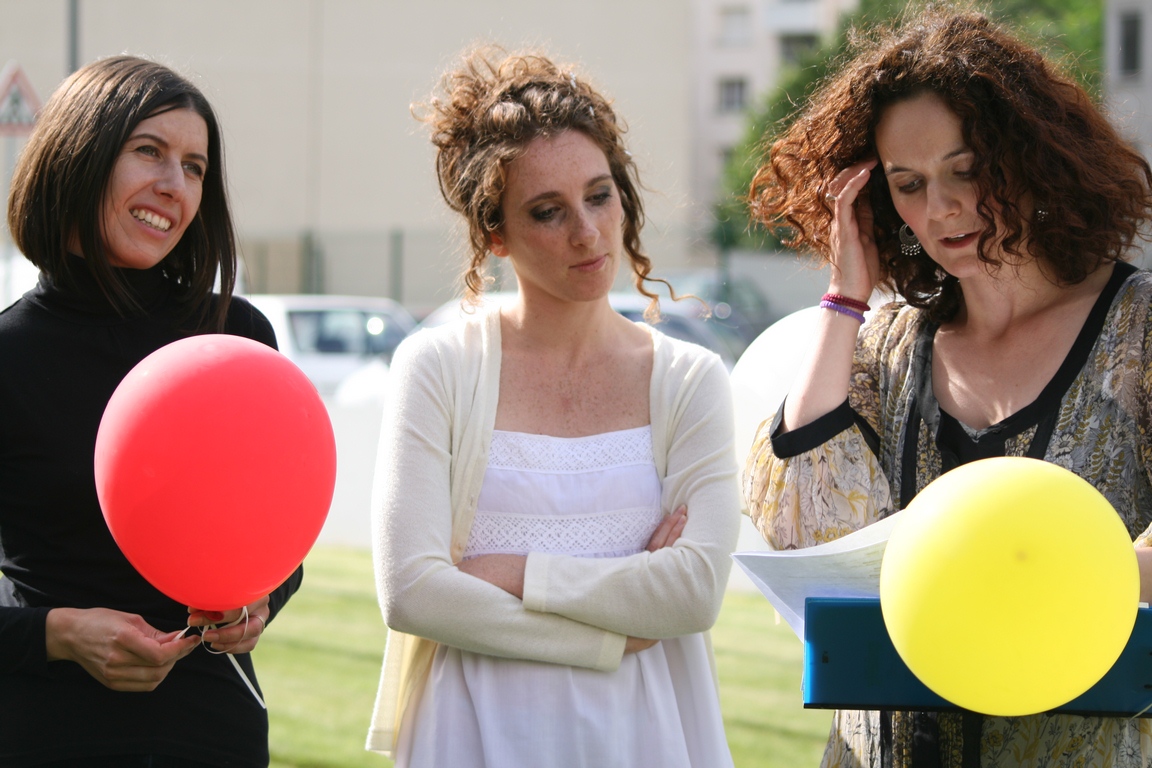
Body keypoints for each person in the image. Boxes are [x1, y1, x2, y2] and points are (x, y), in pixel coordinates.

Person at [744, 6, 1152, 768]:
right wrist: (844, 298)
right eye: (908, 184)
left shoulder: (1139, 329)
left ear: (1032, 157)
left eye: (966, 170)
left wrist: (1046, 578)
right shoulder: (886, 346)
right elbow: (801, 520)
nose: (941, 208)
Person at [365, 48, 741, 767]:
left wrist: (508, 572)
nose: (587, 232)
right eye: (547, 211)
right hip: (471, 732)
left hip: (645, 734)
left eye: (599, 196)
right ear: (494, 233)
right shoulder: (438, 367)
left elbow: (692, 594)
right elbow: (413, 594)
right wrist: (613, 633)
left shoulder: (688, 379)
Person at [0, 55, 301, 767]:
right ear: (78, 155)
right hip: (47, 734)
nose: (175, 185)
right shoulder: (10, 356)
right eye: (148, 151)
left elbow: (279, 534)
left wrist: (259, 599)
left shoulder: (235, 339)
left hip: (213, 730)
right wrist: (57, 633)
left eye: (195, 167)